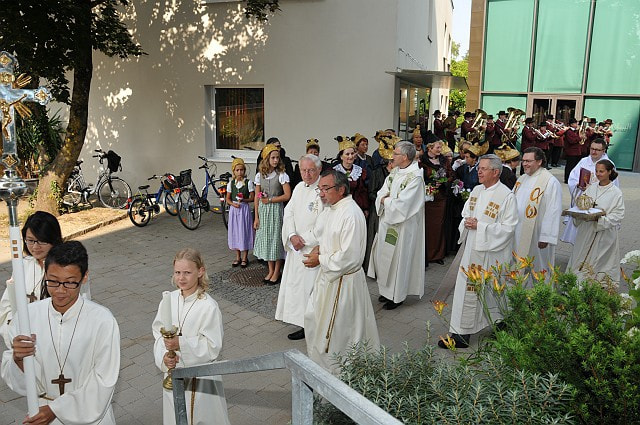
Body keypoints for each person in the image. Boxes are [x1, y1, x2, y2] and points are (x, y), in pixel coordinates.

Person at [1, 241, 120, 424]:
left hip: (90, 416)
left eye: (70, 282)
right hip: (41, 412)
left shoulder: (102, 320)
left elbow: (104, 380)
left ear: (85, 277)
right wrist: (18, 359)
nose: (60, 290)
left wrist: (56, 409)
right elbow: (15, 376)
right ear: (45, 274)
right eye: (53, 281)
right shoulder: (28, 316)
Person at [303, 170, 379, 374]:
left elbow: (350, 257)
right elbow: (326, 236)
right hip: (327, 279)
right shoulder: (332, 208)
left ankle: (340, 377)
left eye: (325, 189)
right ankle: (320, 370)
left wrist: (320, 259)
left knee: (340, 334)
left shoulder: (351, 214)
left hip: (344, 284)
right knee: (315, 321)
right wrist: (319, 248)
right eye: (320, 189)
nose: (321, 193)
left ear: (341, 189)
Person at [438, 154, 518, 349]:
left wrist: (480, 226)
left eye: (483, 169)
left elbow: (508, 228)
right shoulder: (476, 190)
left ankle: (499, 322)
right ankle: (461, 333)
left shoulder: (506, 196)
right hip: (472, 250)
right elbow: (467, 212)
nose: (479, 172)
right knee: (467, 290)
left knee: (491, 290)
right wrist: (467, 222)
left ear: (495, 172)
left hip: (491, 253)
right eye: (479, 168)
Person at [152, 248, 230, 425]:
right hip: (173, 373)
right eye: (177, 272)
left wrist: (181, 344)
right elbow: (158, 334)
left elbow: (213, 346)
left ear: (200, 271)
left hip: (200, 380)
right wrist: (164, 357)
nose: (181, 278)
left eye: (187, 273)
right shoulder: (168, 301)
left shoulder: (208, 306)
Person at [368, 141, 425, 310]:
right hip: (387, 222)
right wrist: (384, 199)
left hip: (403, 226)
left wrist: (385, 200)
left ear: (405, 157)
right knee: (384, 257)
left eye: (395, 153)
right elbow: (381, 192)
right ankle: (386, 291)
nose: (392, 156)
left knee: (399, 259)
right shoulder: (395, 172)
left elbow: (404, 205)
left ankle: (397, 295)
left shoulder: (415, 178)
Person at [275, 155, 324, 340]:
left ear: (319, 169)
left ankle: (313, 326)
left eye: (311, 170)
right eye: (303, 170)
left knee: (311, 290)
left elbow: (325, 221)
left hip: (313, 249)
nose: (307, 174)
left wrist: (305, 240)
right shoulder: (298, 188)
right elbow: (289, 213)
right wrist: (291, 235)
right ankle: (302, 323)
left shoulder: (324, 189)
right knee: (298, 288)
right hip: (296, 248)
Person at [0, 211, 63, 347]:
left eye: (41, 241)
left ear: (54, 239)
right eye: (30, 240)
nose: (35, 247)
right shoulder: (22, 266)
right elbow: (6, 307)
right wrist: (14, 330)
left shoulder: (65, 267)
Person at [566, 160, 624, 284]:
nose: (598, 174)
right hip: (586, 231)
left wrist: (600, 220)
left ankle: (597, 287)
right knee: (580, 257)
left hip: (604, 234)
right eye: (596, 171)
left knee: (600, 262)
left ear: (609, 172)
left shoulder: (616, 192)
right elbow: (582, 203)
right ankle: (576, 284)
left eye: (601, 171)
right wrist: (579, 212)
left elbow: (618, 214)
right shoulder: (591, 187)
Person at [513, 148, 562, 274]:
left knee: (538, 267)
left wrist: (546, 236)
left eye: (528, 161)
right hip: (517, 230)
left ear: (539, 162)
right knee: (518, 263)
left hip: (537, 233)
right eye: (523, 161)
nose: (524, 164)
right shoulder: (521, 179)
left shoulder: (550, 182)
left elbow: (553, 210)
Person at [561, 138, 617, 244]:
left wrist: (592, 188)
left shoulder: (609, 165)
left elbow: (612, 187)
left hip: (598, 204)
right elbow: (572, 178)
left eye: (597, 150)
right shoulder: (584, 161)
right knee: (579, 235)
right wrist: (578, 185)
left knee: (593, 237)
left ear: (603, 151)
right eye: (592, 149)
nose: (593, 152)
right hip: (582, 201)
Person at [254, 144, 292, 285]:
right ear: (266, 159)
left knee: (276, 240)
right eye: (273, 158)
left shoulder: (281, 175)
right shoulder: (260, 175)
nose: (276, 160)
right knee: (267, 241)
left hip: (276, 210)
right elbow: (257, 196)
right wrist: (256, 217)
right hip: (263, 212)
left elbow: (287, 195)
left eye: (277, 158)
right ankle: (270, 270)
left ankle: (277, 271)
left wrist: (270, 200)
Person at [365, 132, 399, 270]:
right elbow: (371, 193)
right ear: (389, 163)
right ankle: (373, 267)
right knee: (376, 238)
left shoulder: (397, 175)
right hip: (378, 211)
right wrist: (383, 199)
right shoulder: (377, 173)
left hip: (391, 211)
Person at [420, 139, 454, 265]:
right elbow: (418, 177)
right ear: (430, 148)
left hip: (440, 197)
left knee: (439, 225)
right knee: (427, 225)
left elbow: (451, 175)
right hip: (428, 197)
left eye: (440, 147)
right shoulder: (422, 161)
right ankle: (425, 254)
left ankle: (438, 254)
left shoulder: (444, 161)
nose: (440, 150)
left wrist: (444, 182)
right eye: (437, 147)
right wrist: (430, 183)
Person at [226, 158, 255, 268]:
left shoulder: (248, 183)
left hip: (244, 209)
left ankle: (245, 257)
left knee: (244, 231)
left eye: (241, 170)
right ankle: (237, 256)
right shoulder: (231, 184)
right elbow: (228, 199)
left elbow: (252, 197)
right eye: (237, 170)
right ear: (234, 171)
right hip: (234, 209)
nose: (239, 172)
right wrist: (233, 204)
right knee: (236, 231)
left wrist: (244, 200)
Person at [333, 136, 369, 216]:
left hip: (356, 208)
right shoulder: (335, 172)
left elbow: (363, 191)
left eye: (352, 153)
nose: (350, 156)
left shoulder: (360, 171)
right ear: (341, 156)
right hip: (339, 209)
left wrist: (365, 208)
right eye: (347, 154)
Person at [563, 118, 582, 183]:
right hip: (571, 152)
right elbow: (571, 141)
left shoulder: (575, 131)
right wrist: (580, 138)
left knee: (574, 166)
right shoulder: (569, 132)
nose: (576, 124)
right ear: (571, 124)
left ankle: (572, 178)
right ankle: (567, 179)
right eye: (575, 123)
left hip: (576, 151)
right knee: (569, 166)